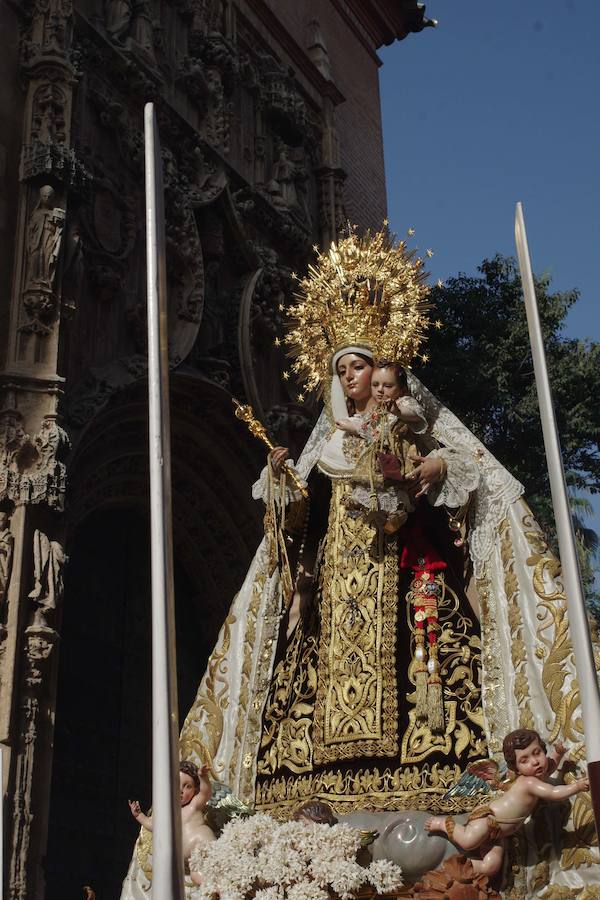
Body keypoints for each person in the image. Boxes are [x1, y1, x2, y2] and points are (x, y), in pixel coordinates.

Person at [121, 228, 594, 899]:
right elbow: (291, 536)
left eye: (361, 365)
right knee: (299, 695)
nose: (350, 378)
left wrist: (435, 463)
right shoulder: (327, 448)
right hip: (334, 609)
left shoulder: (412, 426)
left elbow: (468, 482)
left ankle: (449, 811)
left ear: (385, 369)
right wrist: (283, 486)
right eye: (341, 369)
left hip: (410, 594)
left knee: (439, 689)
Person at [425, 729, 587, 877]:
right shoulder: (529, 782)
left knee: (491, 866)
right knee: (468, 841)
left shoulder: (537, 776)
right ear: (516, 768)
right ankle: (443, 823)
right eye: (524, 760)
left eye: (537, 753)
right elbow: (553, 793)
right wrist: (577, 786)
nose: (535, 762)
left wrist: (557, 754)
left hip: (498, 834)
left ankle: (456, 867)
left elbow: (550, 766)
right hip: (488, 820)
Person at [334, 360, 433, 533]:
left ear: (401, 390)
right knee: (370, 478)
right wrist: (351, 424)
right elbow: (368, 428)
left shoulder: (403, 403)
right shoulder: (375, 411)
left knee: (397, 486)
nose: (380, 390)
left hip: (398, 454)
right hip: (379, 454)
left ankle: (397, 514)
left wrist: (397, 411)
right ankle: (364, 504)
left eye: (388, 385)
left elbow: (416, 414)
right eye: (375, 385)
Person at [128, 761, 215, 869]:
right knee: (196, 876)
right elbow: (153, 825)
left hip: (201, 841)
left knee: (213, 864)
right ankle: (210, 884)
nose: (181, 790)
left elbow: (205, 792)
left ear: (195, 790)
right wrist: (139, 815)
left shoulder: (194, 805)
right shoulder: (168, 813)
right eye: (177, 784)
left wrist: (203, 777)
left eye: (187, 786)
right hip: (188, 857)